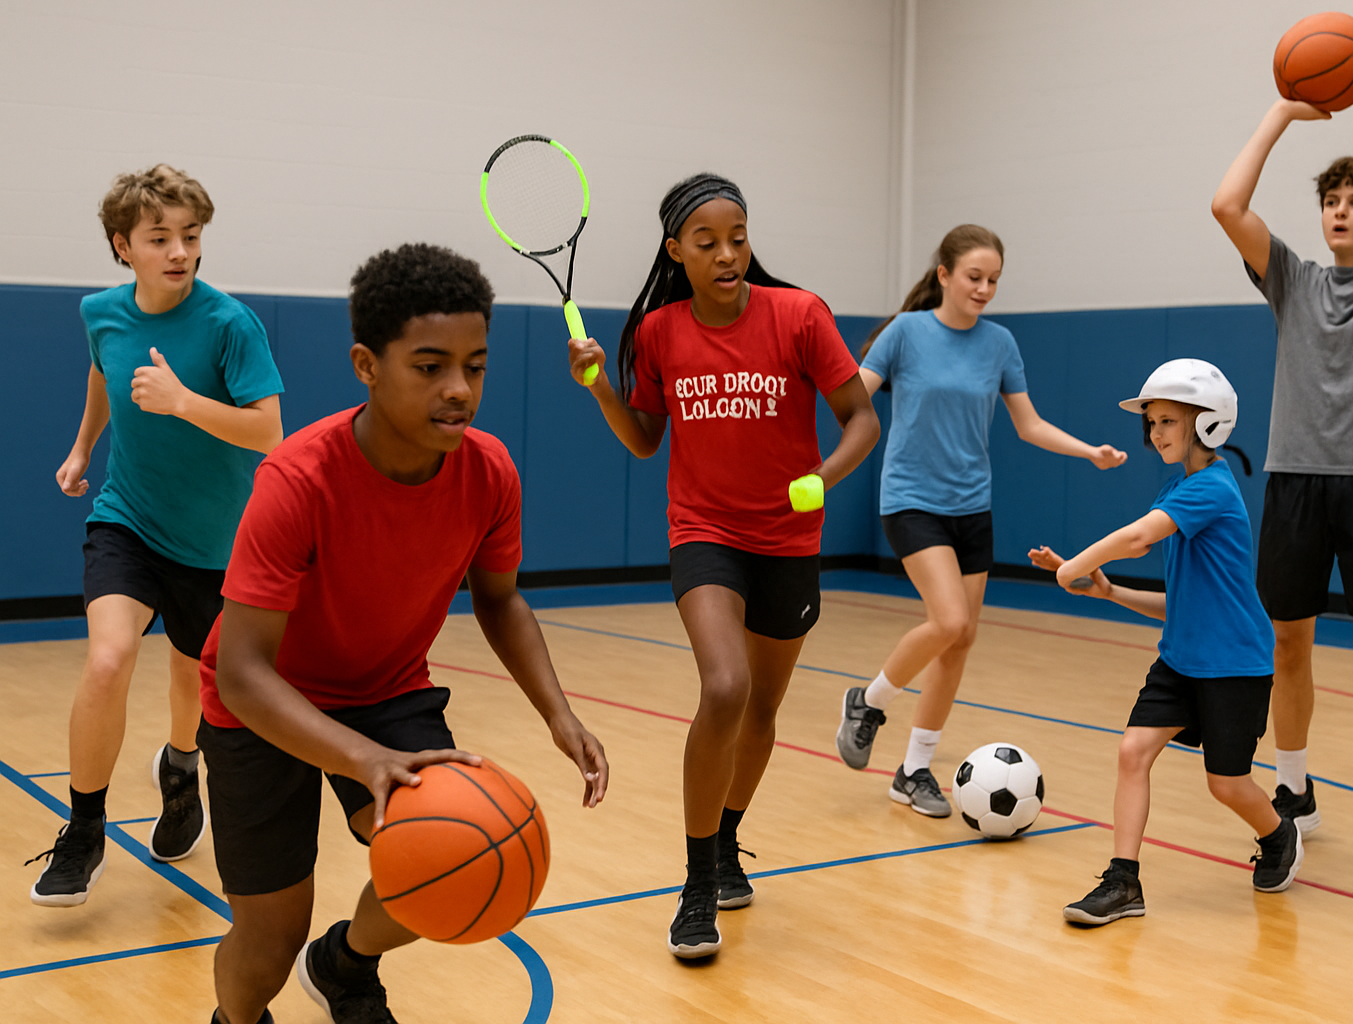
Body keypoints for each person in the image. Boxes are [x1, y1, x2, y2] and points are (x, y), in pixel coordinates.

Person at [200, 243, 608, 1024]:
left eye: (476, 366)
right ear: (367, 364)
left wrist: (560, 716)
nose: (459, 390)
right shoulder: (296, 480)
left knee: (457, 859)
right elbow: (245, 672)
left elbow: (501, 601)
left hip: (386, 690)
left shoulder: (489, 473)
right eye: (429, 366)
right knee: (269, 940)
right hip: (262, 705)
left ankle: (347, 961)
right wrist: (364, 759)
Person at [568, 173, 879, 959]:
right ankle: (697, 882)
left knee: (764, 711)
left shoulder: (800, 315)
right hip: (704, 533)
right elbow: (644, 439)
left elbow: (860, 420)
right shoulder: (659, 332)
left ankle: (729, 840)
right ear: (676, 251)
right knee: (725, 686)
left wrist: (823, 479)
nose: (728, 254)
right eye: (707, 243)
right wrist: (601, 383)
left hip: (787, 540)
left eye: (737, 237)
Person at [1210, 34, 1353, 884]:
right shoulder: (1293, 279)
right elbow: (1226, 204)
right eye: (1332, 200)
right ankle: (1294, 787)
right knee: (1289, 643)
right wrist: (1283, 110)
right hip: (1296, 483)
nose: (1340, 210)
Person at [28, 164, 284, 908]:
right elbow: (105, 375)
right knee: (108, 660)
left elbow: (269, 431)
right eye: (159, 238)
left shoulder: (231, 325)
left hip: (214, 543)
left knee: (188, 682)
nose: (179, 251)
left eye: (191, 236)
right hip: (128, 519)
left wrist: (183, 403)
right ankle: (85, 829)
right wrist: (83, 447)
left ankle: (179, 768)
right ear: (123, 246)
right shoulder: (100, 311)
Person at [832, 224, 1127, 816]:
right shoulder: (906, 334)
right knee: (947, 620)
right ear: (943, 275)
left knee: (960, 639)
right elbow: (854, 400)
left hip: (972, 507)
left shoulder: (999, 344)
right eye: (974, 277)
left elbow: (1029, 423)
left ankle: (914, 769)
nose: (985, 288)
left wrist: (1087, 451)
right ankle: (868, 700)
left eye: (994, 280)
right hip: (912, 501)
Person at [1030, 359, 1299, 926]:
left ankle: (1279, 833)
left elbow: (1136, 537)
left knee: (1226, 785)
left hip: (1235, 666)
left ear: (1209, 423)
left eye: (1168, 421)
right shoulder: (1177, 485)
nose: (1156, 433)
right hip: (1180, 659)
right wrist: (1108, 593)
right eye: (1151, 422)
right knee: (1132, 753)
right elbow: (1180, 601)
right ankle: (1123, 881)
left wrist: (1072, 566)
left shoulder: (1211, 488)